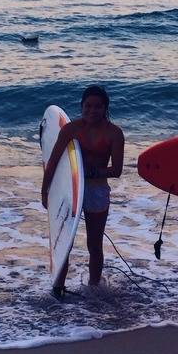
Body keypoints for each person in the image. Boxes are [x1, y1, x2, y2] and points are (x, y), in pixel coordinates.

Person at [41, 85, 124, 297]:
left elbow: (116, 170)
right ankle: (58, 287)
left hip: (97, 192)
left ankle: (94, 288)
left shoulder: (114, 134)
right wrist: (45, 190)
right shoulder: (71, 130)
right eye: (87, 106)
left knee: (94, 244)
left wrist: (90, 174)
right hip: (70, 190)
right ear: (81, 106)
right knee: (64, 241)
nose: (92, 111)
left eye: (97, 107)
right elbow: (54, 161)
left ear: (105, 108)